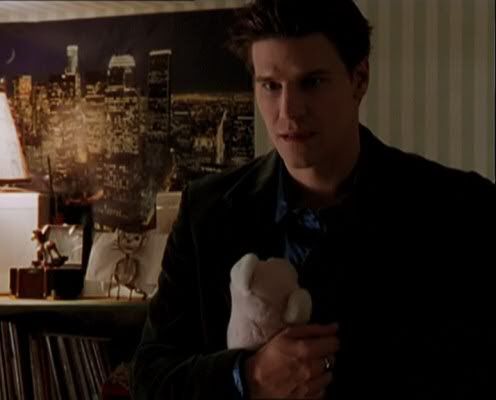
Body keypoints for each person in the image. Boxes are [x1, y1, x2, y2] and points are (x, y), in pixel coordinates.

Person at [131, 0, 496, 398]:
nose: (288, 111)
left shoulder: (460, 208)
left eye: (312, 82)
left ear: (359, 79)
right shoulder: (206, 211)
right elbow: (151, 378)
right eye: (271, 86)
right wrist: (249, 377)